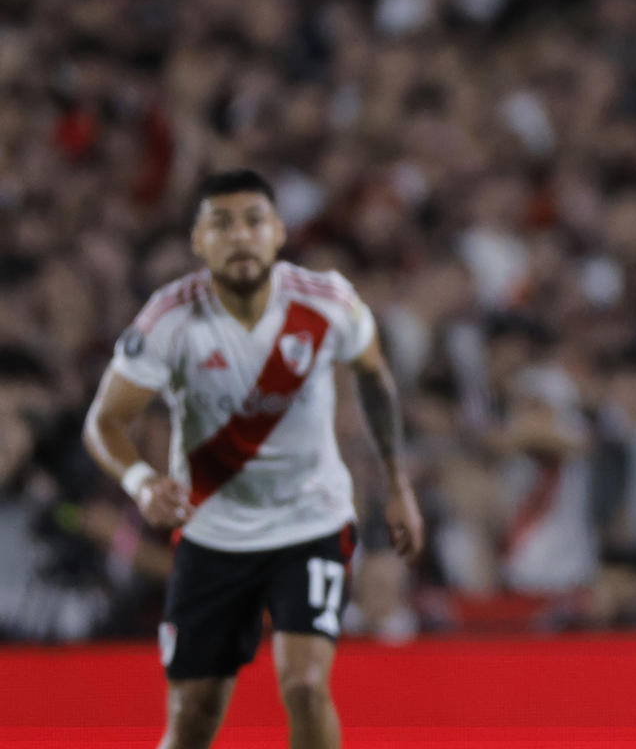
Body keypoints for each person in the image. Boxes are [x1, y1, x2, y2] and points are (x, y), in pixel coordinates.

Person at [82, 170, 425, 749]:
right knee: (193, 717)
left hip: (310, 523)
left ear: (279, 233)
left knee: (307, 686)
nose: (240, 236)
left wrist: (398, 483)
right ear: (198, 240)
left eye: (253, 221)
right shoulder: (170, 319)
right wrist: (141, 483)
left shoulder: (326, 301)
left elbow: (374, 376)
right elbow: (104, 421)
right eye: (222, 224)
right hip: (213, 535)